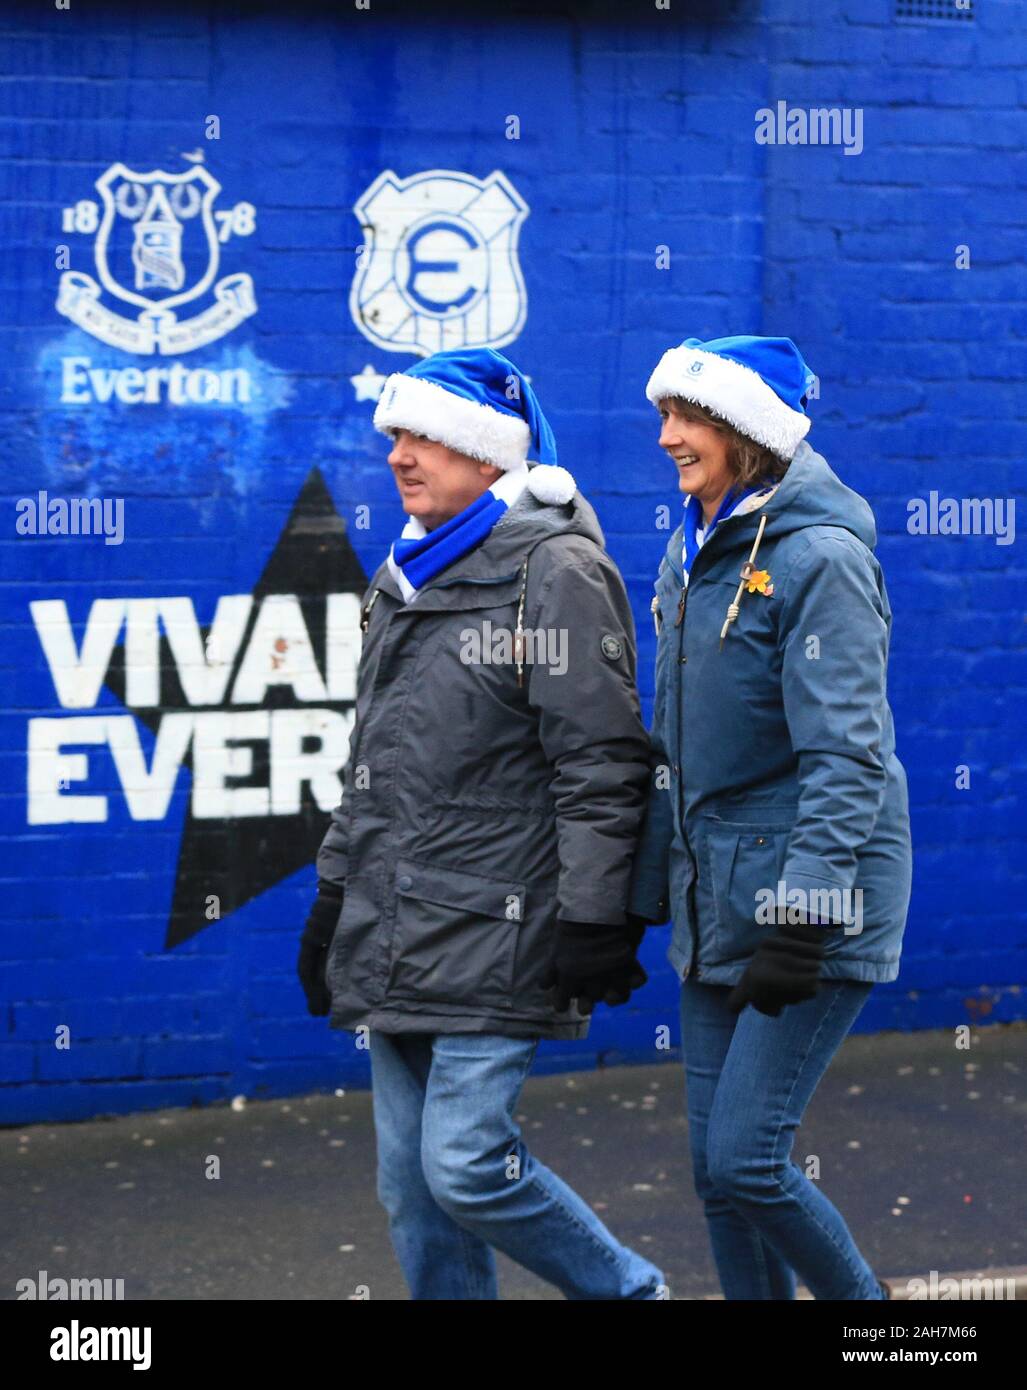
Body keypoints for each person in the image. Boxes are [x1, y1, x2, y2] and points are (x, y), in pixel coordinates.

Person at [298, 347, 664, 1300]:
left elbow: (600, 760)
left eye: (424, 435)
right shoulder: (404, 576)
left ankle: (632, 1293)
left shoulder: (554, 570)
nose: (399, 455)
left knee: (464, 1165)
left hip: (500, 926)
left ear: (488, 453)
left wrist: (593, 915)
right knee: (413, 1193)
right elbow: (370, 767)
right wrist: (334, 891)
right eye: (393, 437)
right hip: (394, 925)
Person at [628, 334, 912, 1300]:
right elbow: (671, 749)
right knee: (717, 1178)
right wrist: (635, 899)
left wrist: (802, 917)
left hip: (811, 898)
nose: (667, 436)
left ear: (747, 430)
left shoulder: (820, 558)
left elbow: (846, 754)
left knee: (748, 1160)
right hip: (720, 895)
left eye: (689, 417)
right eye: (663, 416)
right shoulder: (690, 550)